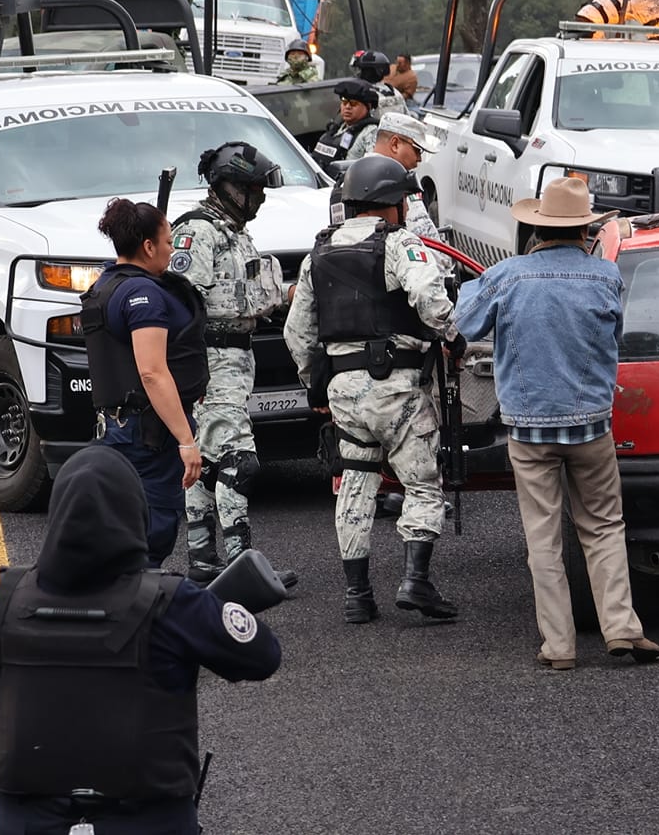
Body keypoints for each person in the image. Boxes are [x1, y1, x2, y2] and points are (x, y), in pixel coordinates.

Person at [0, 446, 281, 835]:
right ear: (136, 514)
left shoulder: (6, 600)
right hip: (147, 821)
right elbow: (264, 655)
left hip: (31, 820)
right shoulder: (174, 602)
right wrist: (211, 613)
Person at [456, 176, 659, 671]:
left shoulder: (507, 276)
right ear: (585, 231)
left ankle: (560, 646)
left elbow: (463, 323)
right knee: (604, 527)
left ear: (535, 228)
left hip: (529, 432)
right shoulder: (606, 277)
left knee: (542, 538)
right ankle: (621, 628)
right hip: (592, 427)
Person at [285, 155, 459, 624]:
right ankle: (415, 581)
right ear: (391, 204)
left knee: (356, 484)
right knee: (422, 482)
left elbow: (296, 333)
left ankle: (358, 595)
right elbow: (428, 293)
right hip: (395, 385)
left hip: (343, 391)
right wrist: (450, 334)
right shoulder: (399, 243)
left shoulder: (316, 253)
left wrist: (315, 385)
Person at [172, 143, 295, 585]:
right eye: (252, 189)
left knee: (206, 464)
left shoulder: (234, 231)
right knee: (240, 462)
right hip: (213, 360)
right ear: (229, 187)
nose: (259, 198)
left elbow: (242, 291)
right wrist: (193, 374)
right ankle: (243, 565)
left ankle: (203, 557)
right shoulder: (198, 232)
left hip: (237, 356)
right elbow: (183, 304)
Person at [81, 199, 207, 567]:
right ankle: (137, 606)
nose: (172, 250)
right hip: (145, 433)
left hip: (115, 427)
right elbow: (152, 372)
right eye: (168, 242)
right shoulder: (145, 295)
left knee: (121, 522)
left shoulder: (105, 283)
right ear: (148, 246)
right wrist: (186, 441)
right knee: (153, 528)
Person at [328, 110, 439, 242]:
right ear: (395, 144)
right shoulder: (398, 185)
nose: (419, 158)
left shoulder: (347, 179)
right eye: (417, 150)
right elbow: (432, 246)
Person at [310, 79, 379, 171]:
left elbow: (372, 167)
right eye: (344, 102)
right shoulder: (337, 128)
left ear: (368, 107)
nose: (347, 107)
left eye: (353, 103)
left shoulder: (371, 132)